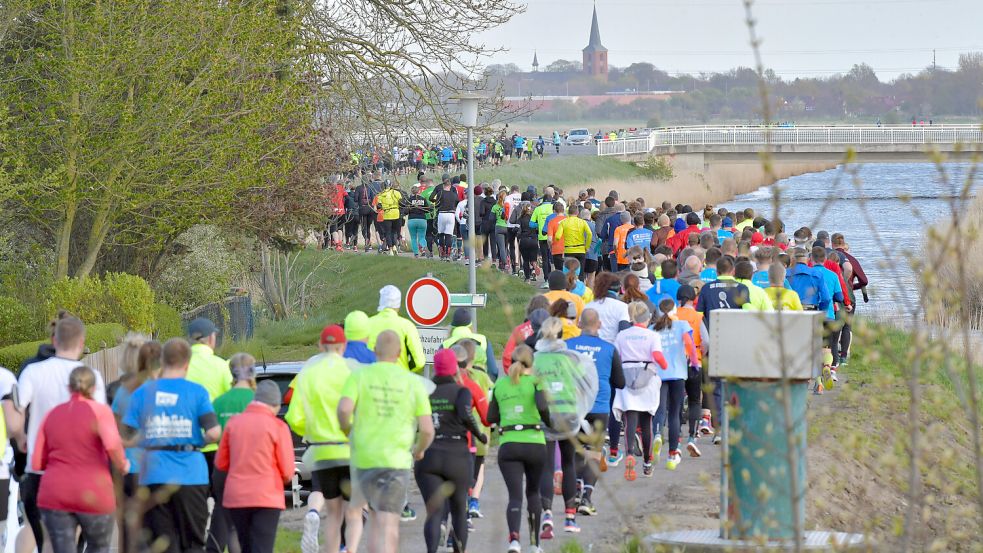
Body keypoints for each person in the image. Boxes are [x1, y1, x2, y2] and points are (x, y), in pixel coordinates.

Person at [337, 330, 435, 553]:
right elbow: (428, 430)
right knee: (389, 521)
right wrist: (419, 451)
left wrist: (347, 430)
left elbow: (343, 409)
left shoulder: (359, 376)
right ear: (399, 353)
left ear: (375, 350)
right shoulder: (412, 383)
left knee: (368, 515)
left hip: (364, 457)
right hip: (396, 460)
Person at [123, 338, 221, 553]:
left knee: (162, 545)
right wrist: (197, 441)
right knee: (194, 543)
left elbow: (126, 435)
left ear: (163, 361)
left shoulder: (142, 393)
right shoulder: (197, 392)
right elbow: (214, 432)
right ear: (187, 363)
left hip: (154, 474)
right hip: (191, 474)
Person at [18, 316, 106, 553]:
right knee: (75, 540)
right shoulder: (92, 377)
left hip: (40, 468)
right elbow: (100, 423)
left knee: (46, 540)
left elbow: (18, 410)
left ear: (54, 340)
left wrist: (21, 439)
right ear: (82, 342)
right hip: (80, 470)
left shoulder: (33, 372)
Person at [32, 366, 127, 553]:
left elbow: (37, 462)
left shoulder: (52, 414)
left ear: (69, 388)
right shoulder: (100, 412)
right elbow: (113, 446)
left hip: (56, 493)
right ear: (93, 388)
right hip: (94, 493)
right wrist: (123, 464)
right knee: (98, 546)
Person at [287, 325, 363, 553]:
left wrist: (310, 431)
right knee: (354, 512)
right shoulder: (354, 371)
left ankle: (327, 541)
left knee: (333, 513)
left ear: (320, 345)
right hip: (350, 449)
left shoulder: (308, 374)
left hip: (320, 450)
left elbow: (294, 416)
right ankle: (348, 550)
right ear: (344, 346)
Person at [415, 350, 486, 553]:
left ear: (436, 368)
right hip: (457, 455)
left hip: (430, 455)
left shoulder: (425, 392)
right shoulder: (461, 391)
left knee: (434, 512)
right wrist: (479, 435)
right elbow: (465, 414)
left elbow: (417, 424)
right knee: (458, 511)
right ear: (455, 367)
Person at [532, 318, 597, 537]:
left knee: (547, 467)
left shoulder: (535, 360)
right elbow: (585, 382)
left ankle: (547, 516)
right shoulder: (572, 359)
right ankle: (570, 518)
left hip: (545, 417)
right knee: (568, 464)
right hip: (569, 416)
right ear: (561, 335)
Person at [216, 381, 294, 553]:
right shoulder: (278, 426)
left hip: (236, 496)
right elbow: (288, 471)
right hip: (267, 496)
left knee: (245, 546)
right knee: (263, 547)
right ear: (274, 404)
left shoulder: (233, 423)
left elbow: (221, 463)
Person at [487, 345, 550, 553]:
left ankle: (514, 540)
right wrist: (549, 422)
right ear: (531, 364)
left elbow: (490, 418)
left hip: (509, 444)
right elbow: (542, 407)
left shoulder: (500, 385)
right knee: (533, 492)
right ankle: (534, 544)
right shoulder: (536, 382)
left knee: (515, 496)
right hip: (534, 442)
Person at [565, 309, 624, 516]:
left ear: (579, 324)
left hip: (574, 406)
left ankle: (572, 497)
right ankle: (587, 498)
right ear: (598, 324)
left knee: (574, 452)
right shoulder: (609, 349)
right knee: (593, 453)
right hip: (598, 407)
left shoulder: (567, 346)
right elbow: (620, 382)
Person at [185, 318, 234, 553]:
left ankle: (194, 545)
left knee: (193, 505)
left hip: (189, 449)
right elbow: (229, 402)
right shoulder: (221, 366)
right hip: (217, 447)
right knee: (224, 503)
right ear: (211, 338)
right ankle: (214, 547)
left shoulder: (181, 367)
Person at [610, 302, 667, 478]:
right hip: (647, 377)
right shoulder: (652, 335)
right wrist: (664, 365)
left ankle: (628, 455)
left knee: (630, 421)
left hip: (627, 377)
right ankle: (648, 462)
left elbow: (616, 357)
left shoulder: (622, 335)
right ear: (648, 317)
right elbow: (657, 356)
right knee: (647, 423)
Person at [210, 353, 257, 553]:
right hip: (253, 467)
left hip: (224, 467)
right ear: (252, 372)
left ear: (231, 373)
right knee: (250, 525)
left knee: (230, 524)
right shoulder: (257, 401)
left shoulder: (219, 402)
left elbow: (211, 434)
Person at [651, 299, 700, 471]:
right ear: (674, 311)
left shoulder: (653, 329)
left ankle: (657, 433)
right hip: (678, 374)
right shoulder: (682, 325)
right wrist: (694, 364)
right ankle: (672, 454)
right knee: (674, 413)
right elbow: (689, 345)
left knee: (659, 409)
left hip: (658, 374)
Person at [673, 285, 711, 450]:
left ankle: (677, 434)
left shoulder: (673, 315)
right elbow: (706, 340)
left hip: (676, 361)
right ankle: (692, 435)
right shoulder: (698, 316)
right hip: (695, 360)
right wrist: (701, 351)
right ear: (693, 298)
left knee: (677, 400)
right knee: (695, 399)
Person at [366, 285, 426, 373]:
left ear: (381, 301)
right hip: (399, 380)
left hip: (371, 378)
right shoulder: (407, 326)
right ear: (398, 304)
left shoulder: (367, 323)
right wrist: (405, 371)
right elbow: (419, 362)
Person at [441, 308, 499, 379]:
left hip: (456, 384)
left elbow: (441, 372)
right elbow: (493, 371)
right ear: (470, 325)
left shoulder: (445, 344)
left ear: (453, 326)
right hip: (480, 384)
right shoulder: (483, 340)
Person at [502, 295, 551, 374]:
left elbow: (508, 355)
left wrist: (513, 374)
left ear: (529, 309)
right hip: (547, 375)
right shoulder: (554, 328)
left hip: (522, 374)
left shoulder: (520, 329)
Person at [584, 272, 630, 343]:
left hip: (589, 347)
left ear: (596, 287)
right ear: (618, 289)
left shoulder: (587, 306)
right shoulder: (622, 306)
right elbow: (624, 332)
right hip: (612, 349)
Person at [554, 205, 593, 273]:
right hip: (581, 249)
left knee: (568, 272)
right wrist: (587, 246)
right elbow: (589, 234)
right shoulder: (582, 222)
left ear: (568, 213)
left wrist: (558, 240)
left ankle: (569, 283)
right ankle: (580, 282)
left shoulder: (563, 222)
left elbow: (557, 236)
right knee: (580, 272)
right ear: (577, 212)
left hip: (569, 250)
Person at [530, 188, 556, 276]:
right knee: (553, 259)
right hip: (553, 237)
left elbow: (531, 224)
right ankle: (555, 278)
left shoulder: (538, 209)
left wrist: (539, 225)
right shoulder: (554, 208)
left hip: (542, 236)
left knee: (545, 259)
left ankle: (546, 279)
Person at [405, 184, 431, 258]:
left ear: (412, 192)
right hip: (422, 220)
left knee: (413, 238)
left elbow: (406, 212)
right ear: (419, 191)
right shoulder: (423, 199)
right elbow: (427, 210)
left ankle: (416, 254)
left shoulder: (409, 200)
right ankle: (424, 246)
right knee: (422, 237)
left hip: (412, 220)